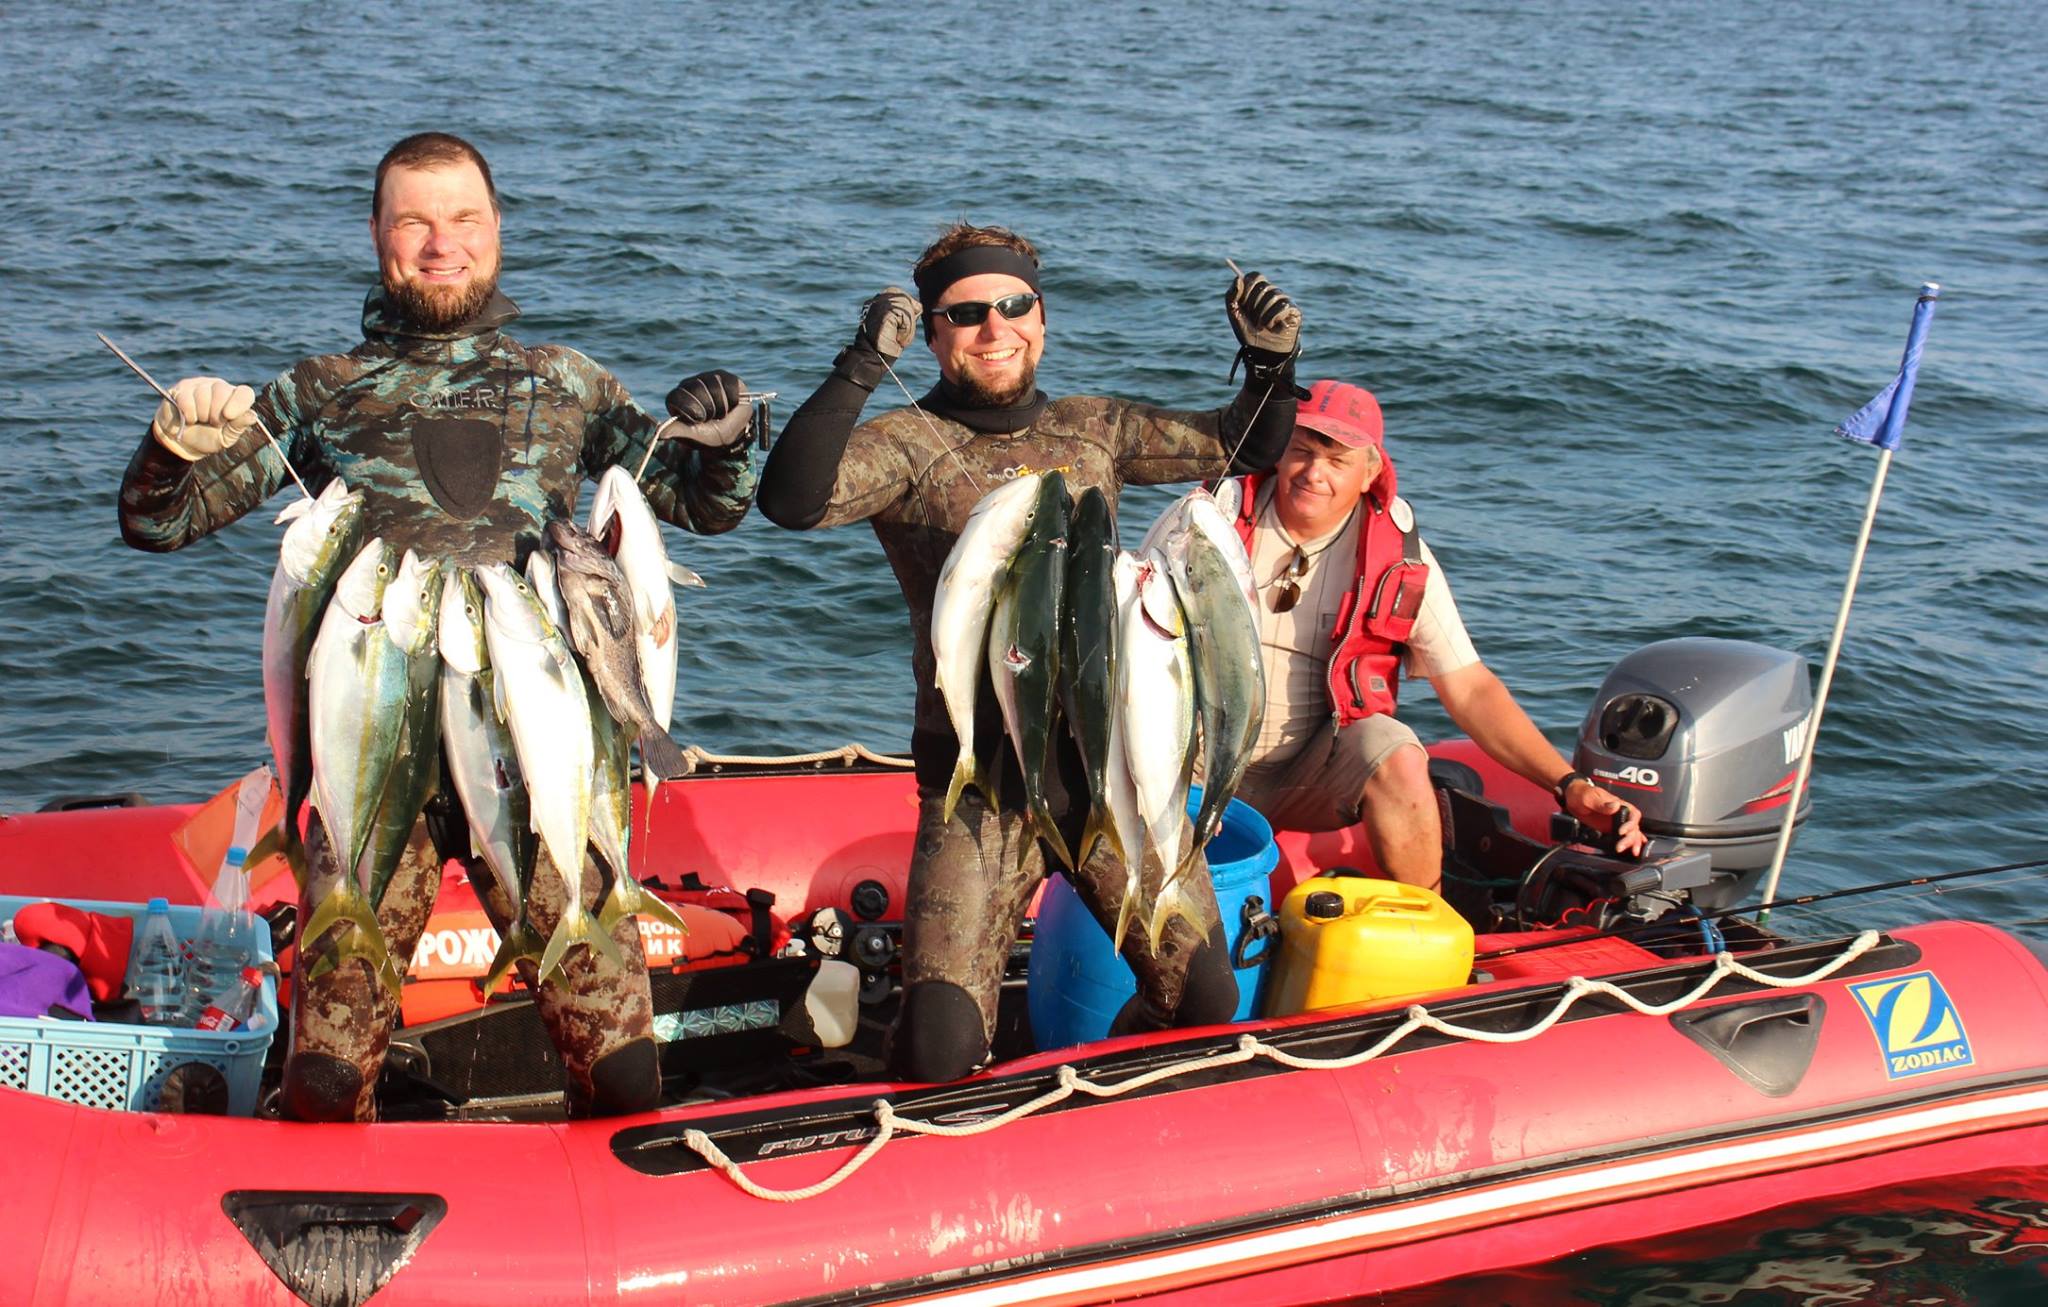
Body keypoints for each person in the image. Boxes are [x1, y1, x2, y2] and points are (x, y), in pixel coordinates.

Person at [116, 131, 759, 1121]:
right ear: (376, 233)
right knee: (326, 1083)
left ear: (496, 229)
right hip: (370, 747)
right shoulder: (323, 389)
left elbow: (700, 504)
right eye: (413, 219)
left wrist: (727, 439)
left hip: (538, 748)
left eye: (461, 218)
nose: (439, 243)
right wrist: (170, 446)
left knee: (624, 1075)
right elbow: (162, 523)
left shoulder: (566, 381)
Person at [759, 223, 1302, 1082]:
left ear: (1042, 319)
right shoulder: (906, 447)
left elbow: (1246, 444)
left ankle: (1098, 1098)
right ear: (933, 335)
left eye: (1013, 305)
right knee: (941, 1050)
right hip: (976, 783)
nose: (994, 327)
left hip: (1112, 769)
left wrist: (1273, 366)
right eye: (964, 313)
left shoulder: (1097, 430)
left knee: (1199, 999)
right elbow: (792, 499)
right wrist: (859, 365)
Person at [1227, 378, 1644, 891]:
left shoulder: (1400, 561)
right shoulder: (1212, 522)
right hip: (1195, 763)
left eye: (1338, 461)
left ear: (1370, 472)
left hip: (1309, 774)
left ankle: (1422, 926)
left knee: (1397, 750)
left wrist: (1568, 785)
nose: (1314, 473)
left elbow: (1469, 687)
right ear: (1278, 450)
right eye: (1302, 450)